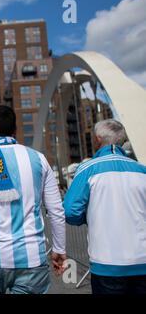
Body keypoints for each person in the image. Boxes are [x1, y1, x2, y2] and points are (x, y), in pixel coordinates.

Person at [0, 105, 66, 294]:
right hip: (33, 257)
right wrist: (59, 248)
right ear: (15, 129)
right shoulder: (39, 158)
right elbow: (56, 210)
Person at [64, 119, 146, 294]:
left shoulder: (88, 169)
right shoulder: (141, 169)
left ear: (97, 140)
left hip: (107, 263)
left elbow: (70, 211)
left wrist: (92, 217)